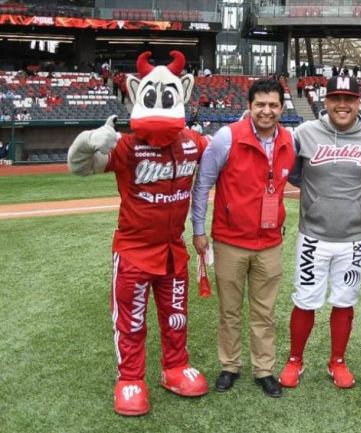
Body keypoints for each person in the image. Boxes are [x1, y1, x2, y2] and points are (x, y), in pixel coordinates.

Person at [66, 51, 209, 416]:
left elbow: (223, 154)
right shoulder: (127, 146)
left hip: (173, 250)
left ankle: (174, 368)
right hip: (133, 250)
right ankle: (130, 377)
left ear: (184, 93)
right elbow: (80, 168)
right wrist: (87, 142)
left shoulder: (193, 143)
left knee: (176, 316)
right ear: (134, 93)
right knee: (130, 320)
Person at [278, 75, 361, 389]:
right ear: (325, 101)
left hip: (354, 238)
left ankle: (337, 361)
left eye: (349, 98)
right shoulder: (305, 133)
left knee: (344, 301)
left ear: (359, 102)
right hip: (313, 234)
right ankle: (295, 360)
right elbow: (295, 175)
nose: (342, 104)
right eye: (336, 98)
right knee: (305, 300)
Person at [191, 79, 295, 397]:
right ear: (250, 106)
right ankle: (230, 365)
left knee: (265, 312)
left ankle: (264, 370)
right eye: (260, 104)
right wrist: (198, 230)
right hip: (230, 241)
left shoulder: (290, 141)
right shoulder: (227, 137)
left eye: (273, 105)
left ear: (281, 108)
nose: (267, 110)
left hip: (269, 243)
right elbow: (203, 183)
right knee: (230, 310)